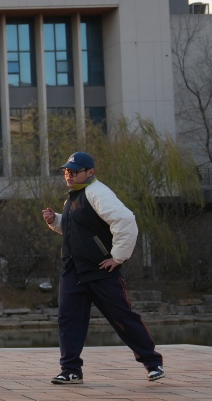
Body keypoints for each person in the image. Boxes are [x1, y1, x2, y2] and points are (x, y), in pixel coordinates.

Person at [41, 151, 165, 385]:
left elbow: (125, 221)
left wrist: (117, 257)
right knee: (68, 320)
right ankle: (71, 370)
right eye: (66, 171)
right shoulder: (73, 198)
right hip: (73, 269)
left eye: (74, 171)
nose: (69, 175)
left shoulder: (98, 193)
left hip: (101, 269)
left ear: (91, 172)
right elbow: (75, 229)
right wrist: (55, 221)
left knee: (122, 317)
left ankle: (152, 363)